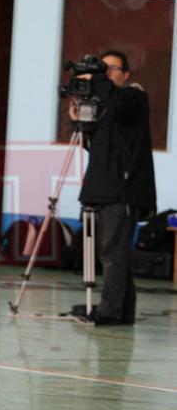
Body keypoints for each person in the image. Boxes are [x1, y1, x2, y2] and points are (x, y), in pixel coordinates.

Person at [72, 50, 156, 326]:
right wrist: (80, 123)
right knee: (114, 253)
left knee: (112, 253)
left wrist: (96, 79)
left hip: (124, 190)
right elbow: (95, 147)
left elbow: (119, 104)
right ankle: (121, 312)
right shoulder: (108, 105)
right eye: (101, 69)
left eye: (110, 69)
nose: (105, 74)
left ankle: (109, 312)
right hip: (106, 187)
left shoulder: (133, 96)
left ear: (126, 74)